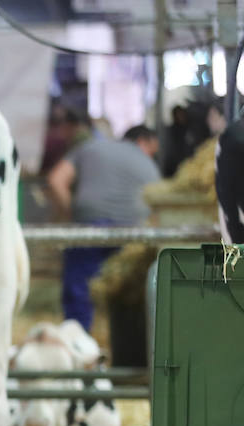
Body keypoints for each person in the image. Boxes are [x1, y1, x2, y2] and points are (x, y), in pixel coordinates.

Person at [45, 118, 161, 331]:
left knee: (79, 288)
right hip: (132, 233)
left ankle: (79, 340)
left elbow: (55, 181)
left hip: (90, 226)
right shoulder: (149, 165)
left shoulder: (89, 148)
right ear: (143, 141)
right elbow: (157, 208)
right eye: (152, 149)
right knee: (127, 292)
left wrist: (71, 213)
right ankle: (124, 346)